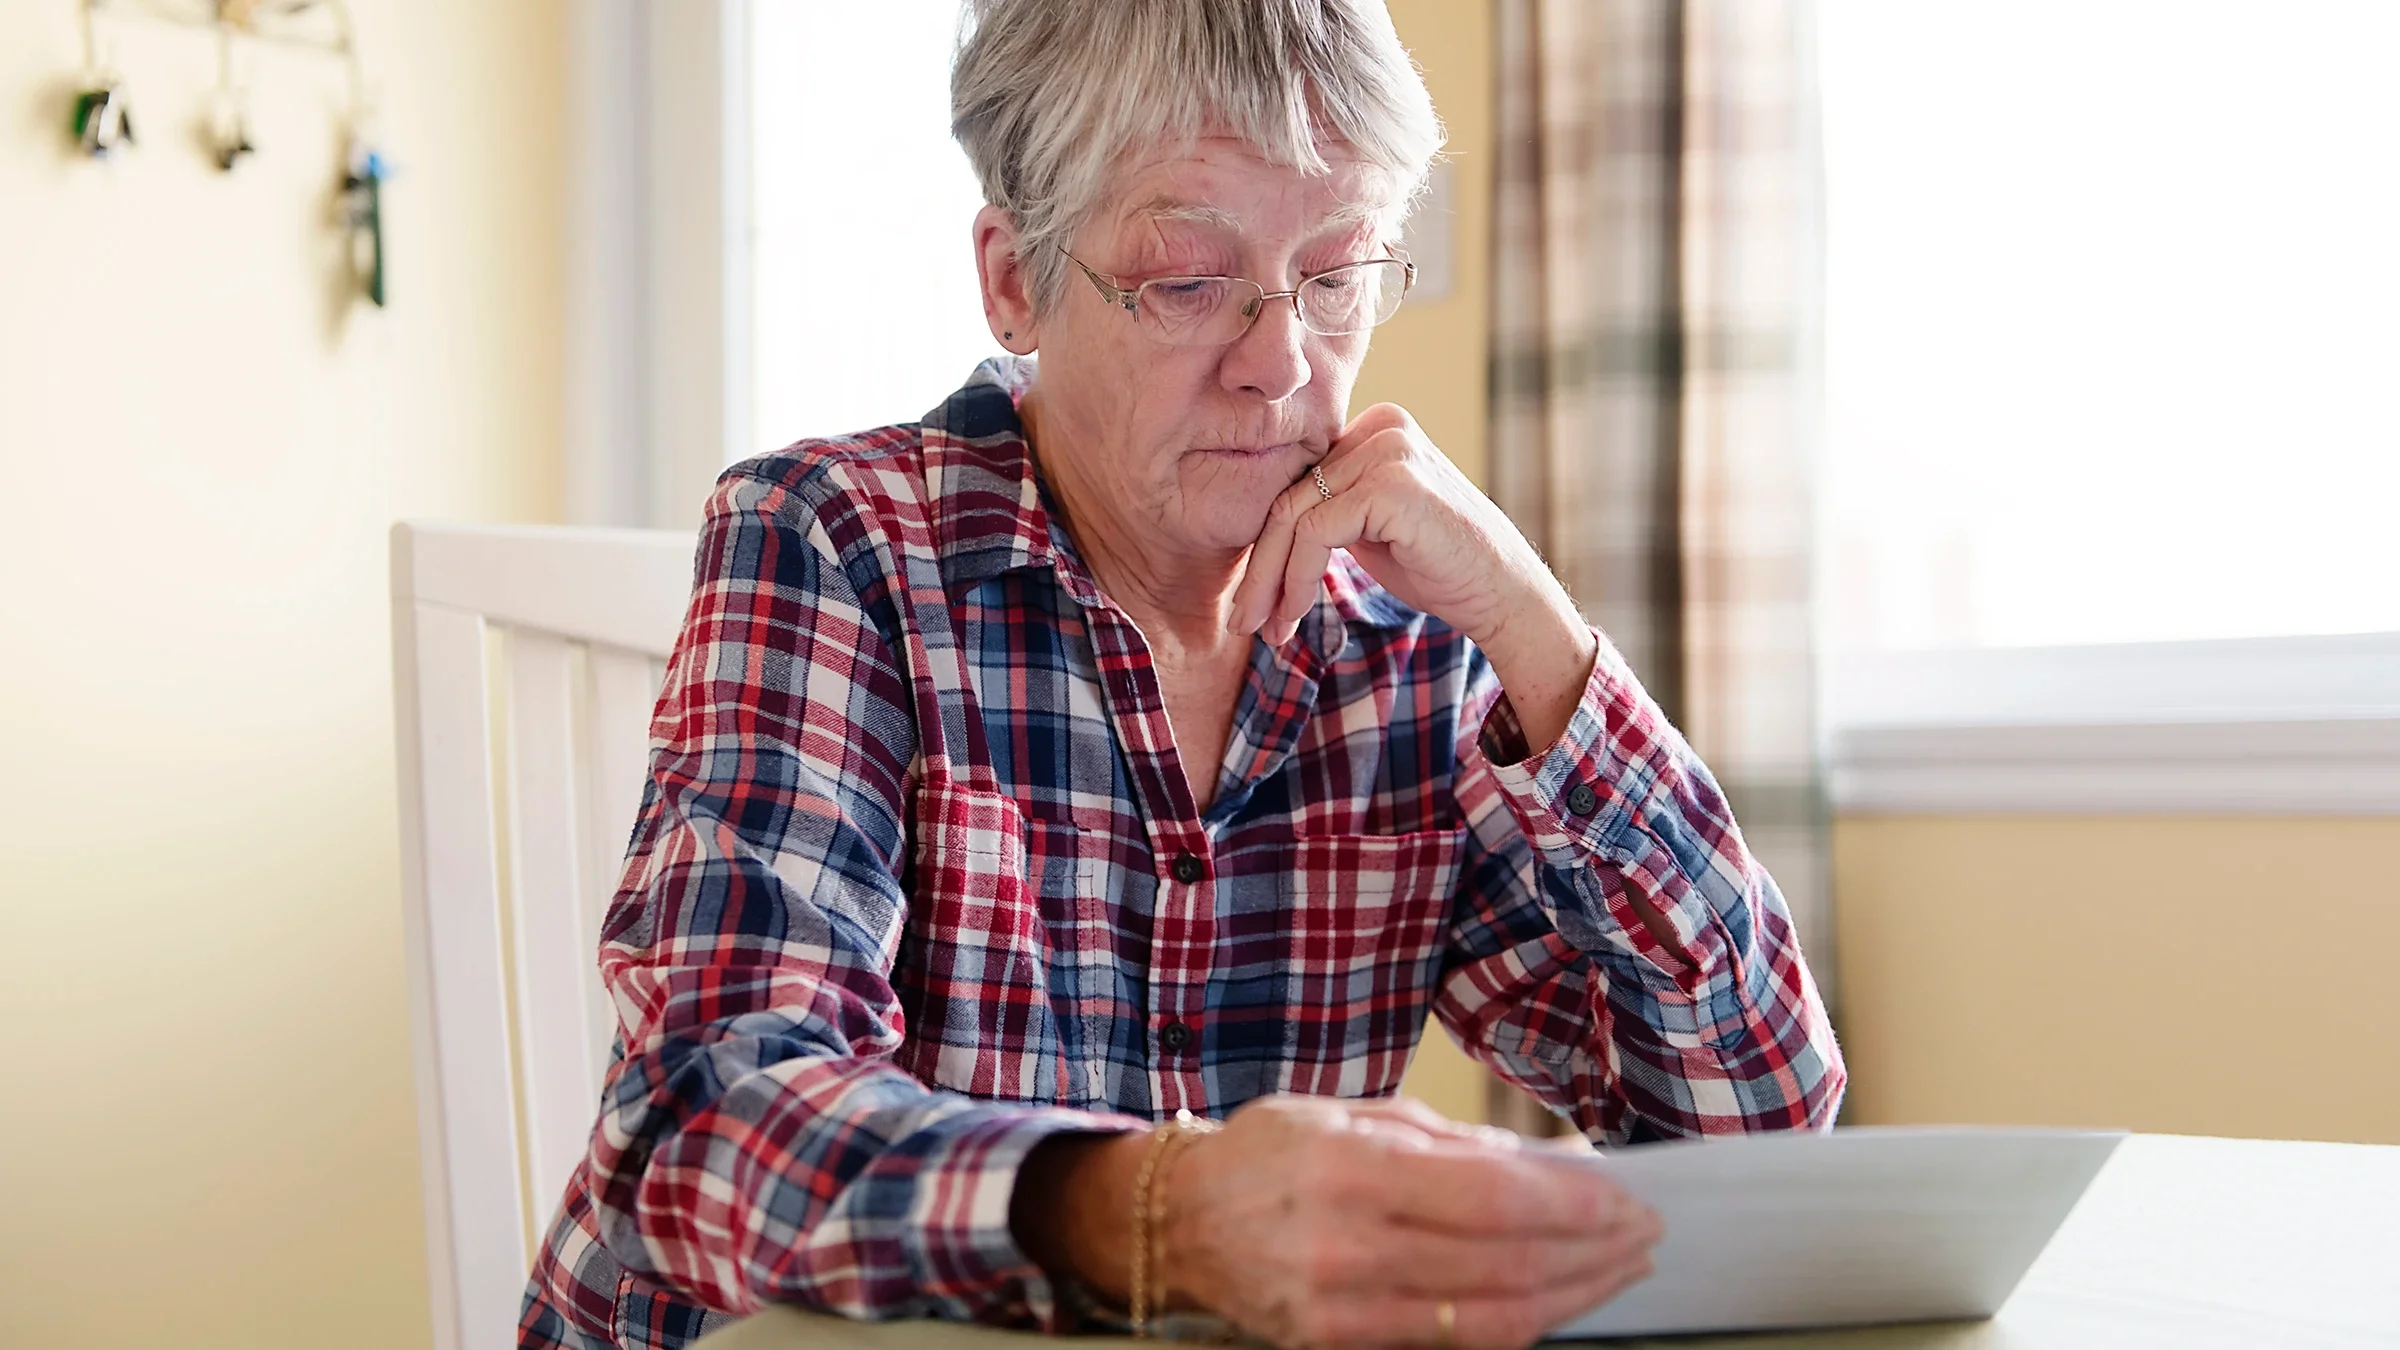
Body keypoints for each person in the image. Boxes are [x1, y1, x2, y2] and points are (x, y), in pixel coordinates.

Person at [521, 2, 1844, 1347]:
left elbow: (1764, 1130)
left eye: (1334, 277)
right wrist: (1165, 1214)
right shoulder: (834, 542)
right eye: (1187, 278)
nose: (1280, 364)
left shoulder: (1408, 648)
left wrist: (1535, 628)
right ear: (1016, 282)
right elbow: (707, 1125)